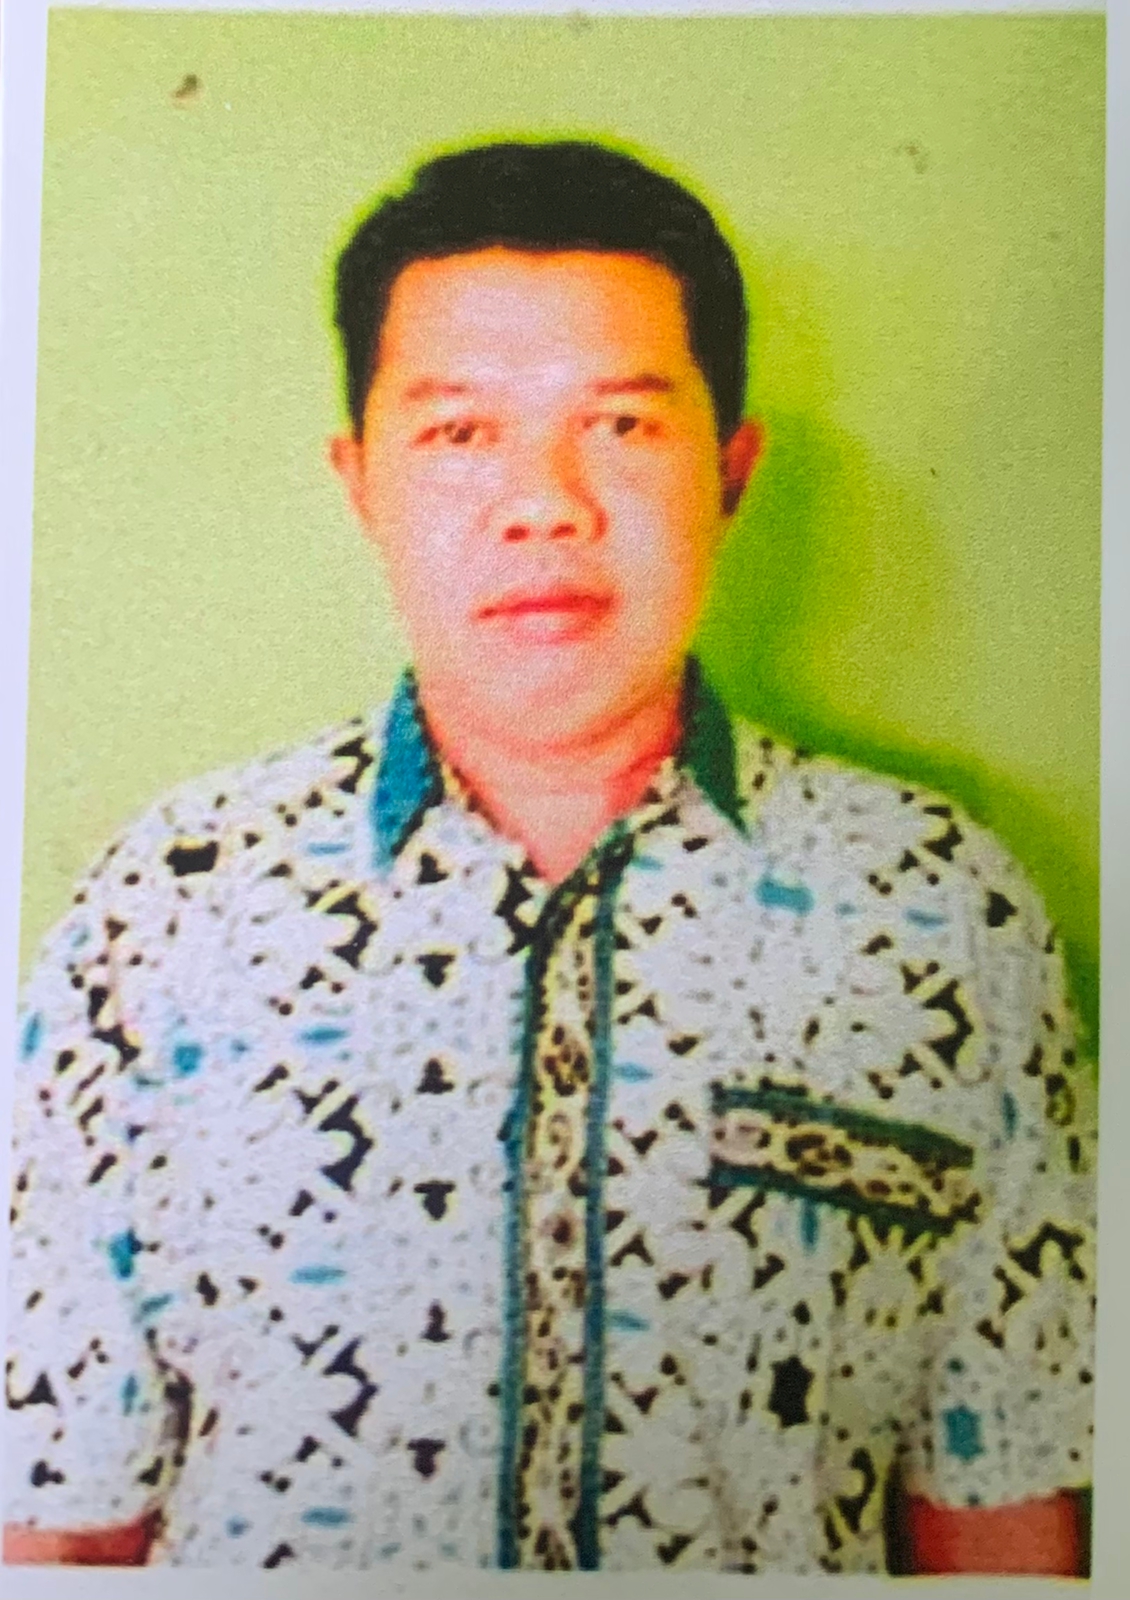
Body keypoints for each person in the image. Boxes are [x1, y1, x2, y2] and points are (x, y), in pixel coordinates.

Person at [3, 140, 1094, 1575]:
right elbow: (56, 1517)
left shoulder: (939, 915)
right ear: (361, 481)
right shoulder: (169, 911)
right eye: (459, 433)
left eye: (621, 425)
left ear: (731, 470)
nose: (545, 503)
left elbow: (1004, 1504)